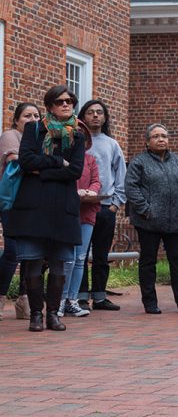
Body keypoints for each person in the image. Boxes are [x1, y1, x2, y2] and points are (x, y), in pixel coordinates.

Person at [7, 85, 85, 332]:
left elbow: (75, 171)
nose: (66, 104)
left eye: (70, 101)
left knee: (59, 263)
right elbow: (26, 160)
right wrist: (57, 162)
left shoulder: (78, 134)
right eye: (60, 101)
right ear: (49, 106)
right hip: (33, 207)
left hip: (63, 206)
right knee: (32, 262)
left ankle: (53, 314)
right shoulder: (34, 129)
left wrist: (42, 171)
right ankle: (36, 316)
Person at [126, 124, 178, 314]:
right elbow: (131, 188)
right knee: (148, 261)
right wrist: (146, 209)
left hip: (176, 220)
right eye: (156, 136)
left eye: (164, 136)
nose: (161, 140)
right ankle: (150, 303)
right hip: (148, 221)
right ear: (147, 142)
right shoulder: (139, 162)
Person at [77, 99, 127, 311]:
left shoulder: (111, 144)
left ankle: (99, 296)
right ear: (83, 116)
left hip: (106, 207)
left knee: (100, 255)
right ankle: (79, 297)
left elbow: (120, 175)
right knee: (80, 254)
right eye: (90, 112)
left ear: (105, 118)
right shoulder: (76, 141)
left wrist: (115, 204)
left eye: (99, 112)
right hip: (81, 206)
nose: (95, 116)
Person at [0, 102, 41, 319]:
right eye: (27, 115)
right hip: (12, 204)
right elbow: (15, 160)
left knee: (32, 253)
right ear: (17, 120)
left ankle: (24, 299)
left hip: (34, 205)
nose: (33, 119)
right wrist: (43, 163)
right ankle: (1, 296)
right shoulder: (10, 135)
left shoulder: (40, 141)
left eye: (36, 115)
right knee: (12, 252)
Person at [59, 120, 101, 318]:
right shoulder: (60, 157)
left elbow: (96, 181)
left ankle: (72, 300)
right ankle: (58, 300)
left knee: (80, 258)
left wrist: (90, 191)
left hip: (87, 211)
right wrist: (75, 192)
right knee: (67, 258)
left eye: (82, 135)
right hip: (66, 211)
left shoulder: (90, 160)